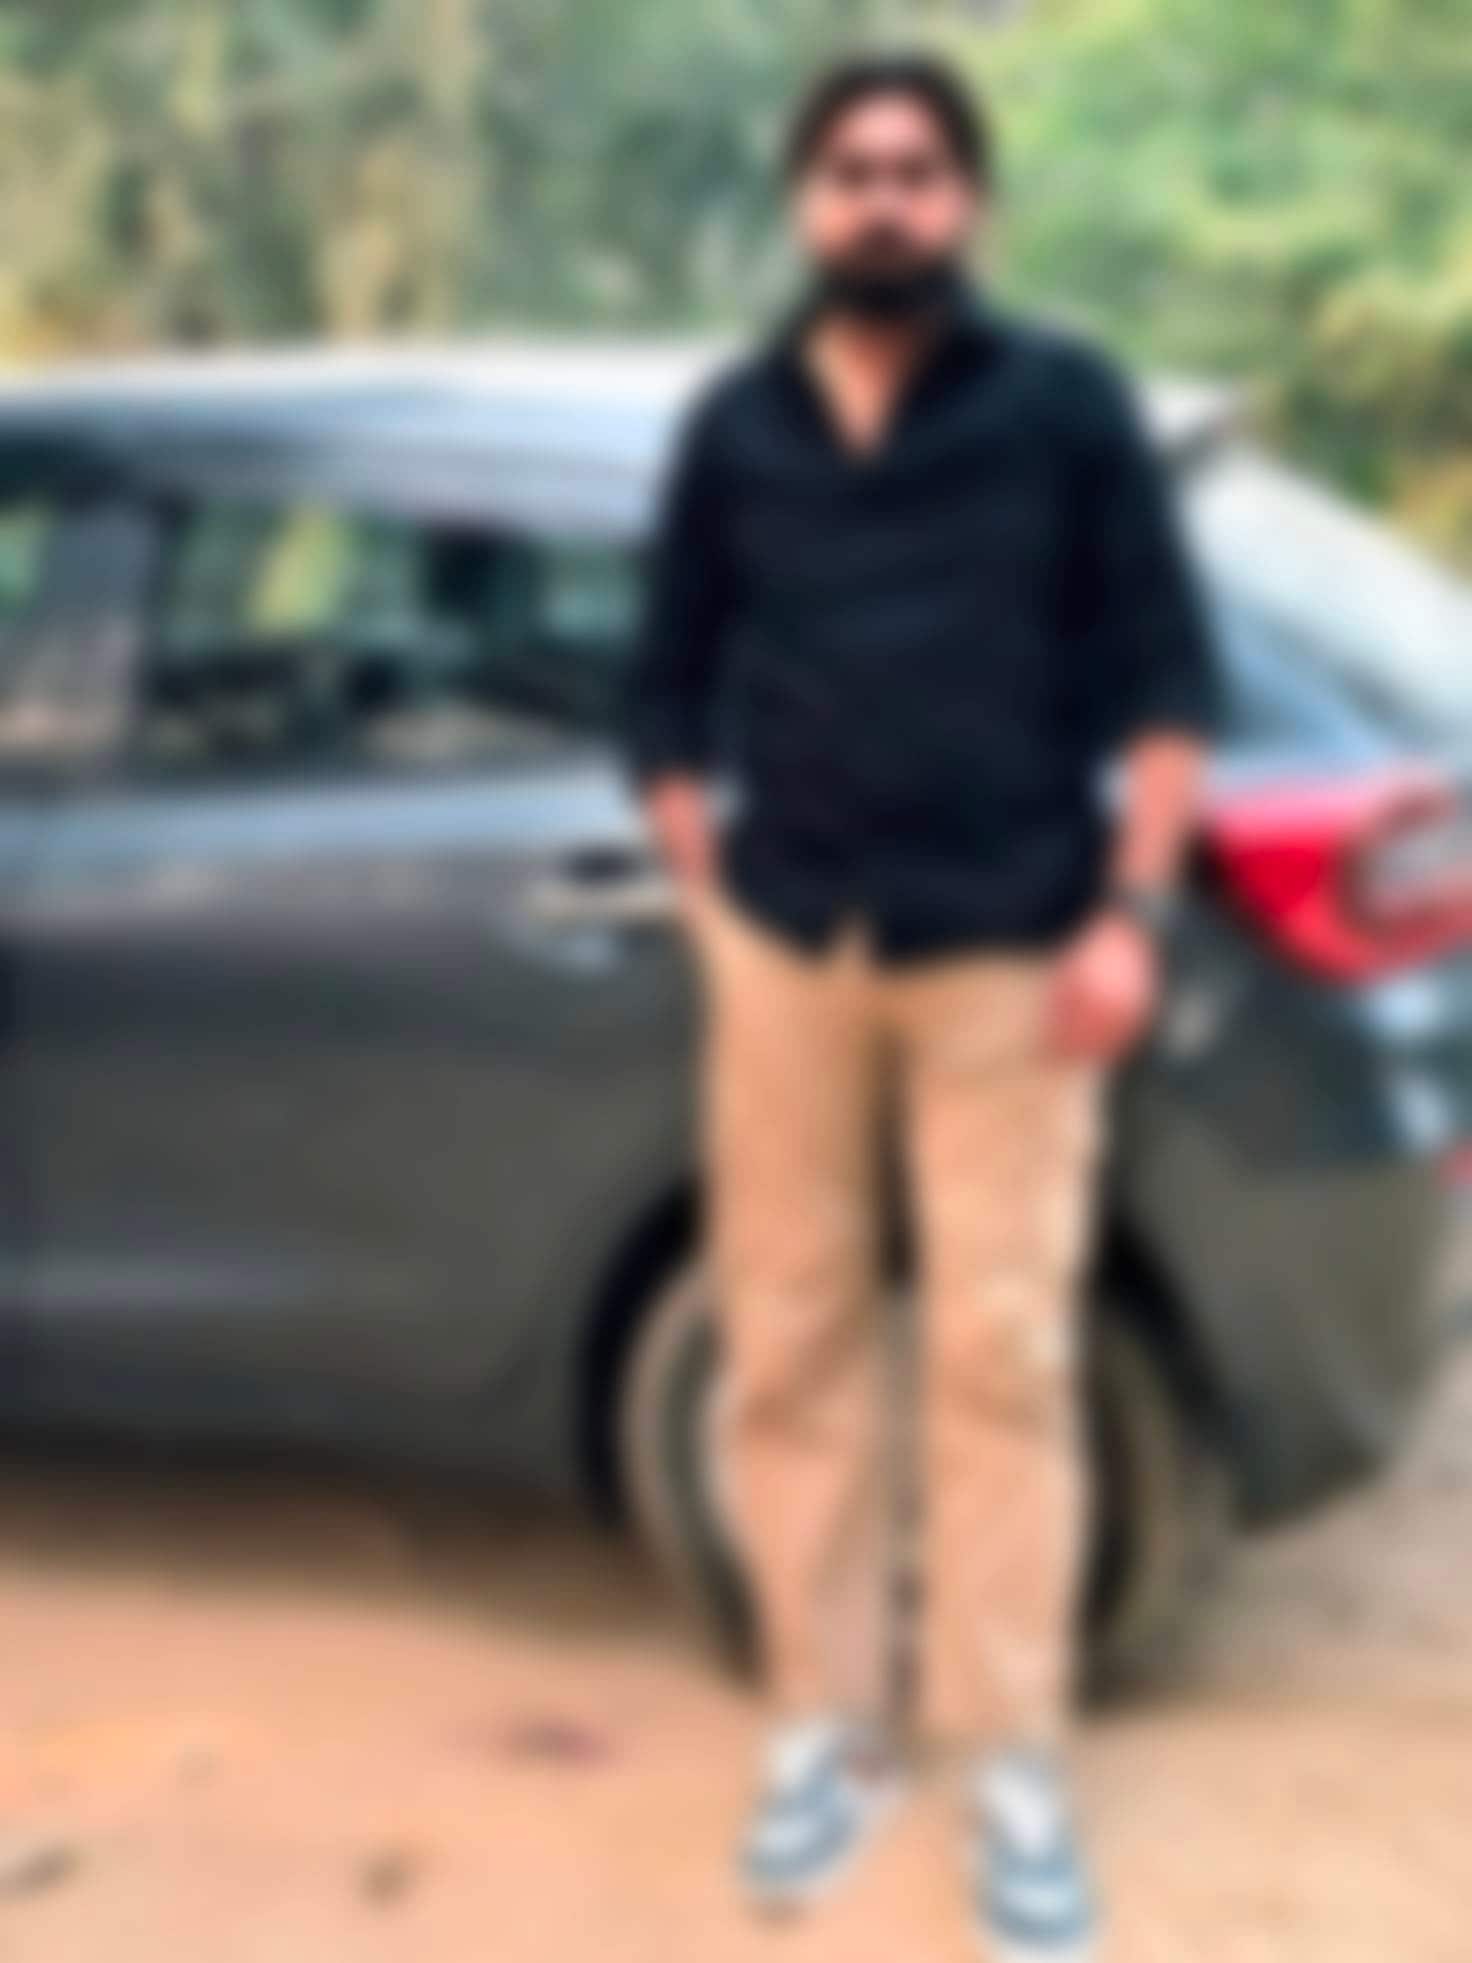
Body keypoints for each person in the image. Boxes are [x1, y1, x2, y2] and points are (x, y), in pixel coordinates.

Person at [624, 50, 1214, 1962]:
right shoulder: (735, 428)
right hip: (790, 949)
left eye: (918, 170)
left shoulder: (1064, 408)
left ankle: (1012, 1762)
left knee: (1003, 1357)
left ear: (967, 204)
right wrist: (705, 883)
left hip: (1011, 956)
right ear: (807, 203)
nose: (883, 199)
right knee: (789, 1340)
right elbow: (664, 680)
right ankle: (830, 1726)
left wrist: (1133, 913)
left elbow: (1168, 681)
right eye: (851, 170)